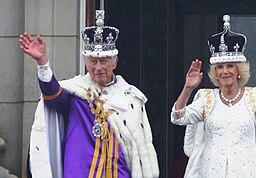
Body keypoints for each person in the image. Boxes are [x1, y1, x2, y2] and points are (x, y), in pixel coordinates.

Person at [19, 10, 159, 178]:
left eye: (104, 61)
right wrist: (43, 64)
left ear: (114, 63)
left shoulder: (131, 98)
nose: (98, 67)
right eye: (93, 61)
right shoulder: (76, 93)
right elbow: (53, 96)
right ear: (86, 63)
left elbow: (138, 148)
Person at [170, 15, 256, 178]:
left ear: (239, 70)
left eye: (230, 66)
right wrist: (188, 88)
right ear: (215, 73)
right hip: (211, 172)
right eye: (220, 67)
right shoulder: (206, 98)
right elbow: (178, 117)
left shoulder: (255, 96)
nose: (225, 71)